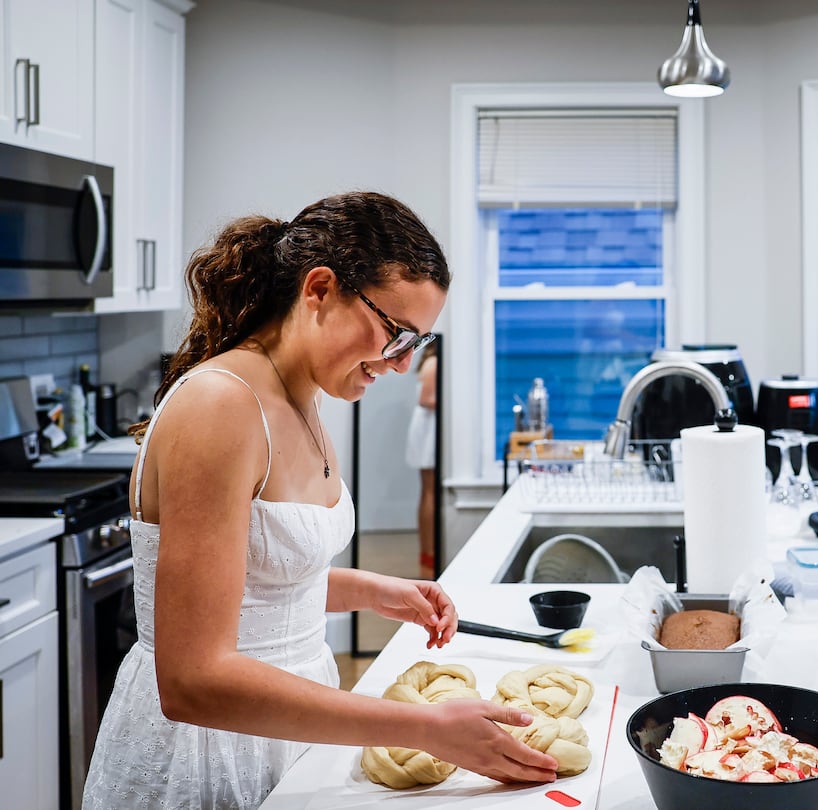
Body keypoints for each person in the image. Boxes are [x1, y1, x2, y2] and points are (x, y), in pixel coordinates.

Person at [83, 192, 558, 808]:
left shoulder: (301, 395)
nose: (399, 364)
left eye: (418, 344)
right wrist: (427, 730)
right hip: (208, 750)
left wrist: (370, 590)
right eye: (396, 333)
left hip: (285, 729)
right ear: (319, 289)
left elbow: (249, 584)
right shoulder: (221, 406)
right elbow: (191, 680)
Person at [406, 341, 440, 578]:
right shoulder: (435, 363)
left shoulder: (428, 362)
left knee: (428, 489)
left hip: (426, 427)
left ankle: (428, 551)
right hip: (428, 428)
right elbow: (427, 398)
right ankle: (428, 551)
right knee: (429, 490)